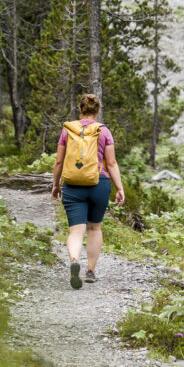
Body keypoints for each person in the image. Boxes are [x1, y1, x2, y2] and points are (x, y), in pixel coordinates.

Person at [50, 94, 125, 289]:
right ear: (97, 110)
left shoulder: (68, 130)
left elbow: (58, 161)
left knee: (76, 230)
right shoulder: (104, 131)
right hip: (99, 183)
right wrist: (120, 188)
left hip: (73, 185)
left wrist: (56, 184)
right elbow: (112, 163)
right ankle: (90, 270)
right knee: (94, 228)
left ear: (80, 109)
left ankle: (75, 259)